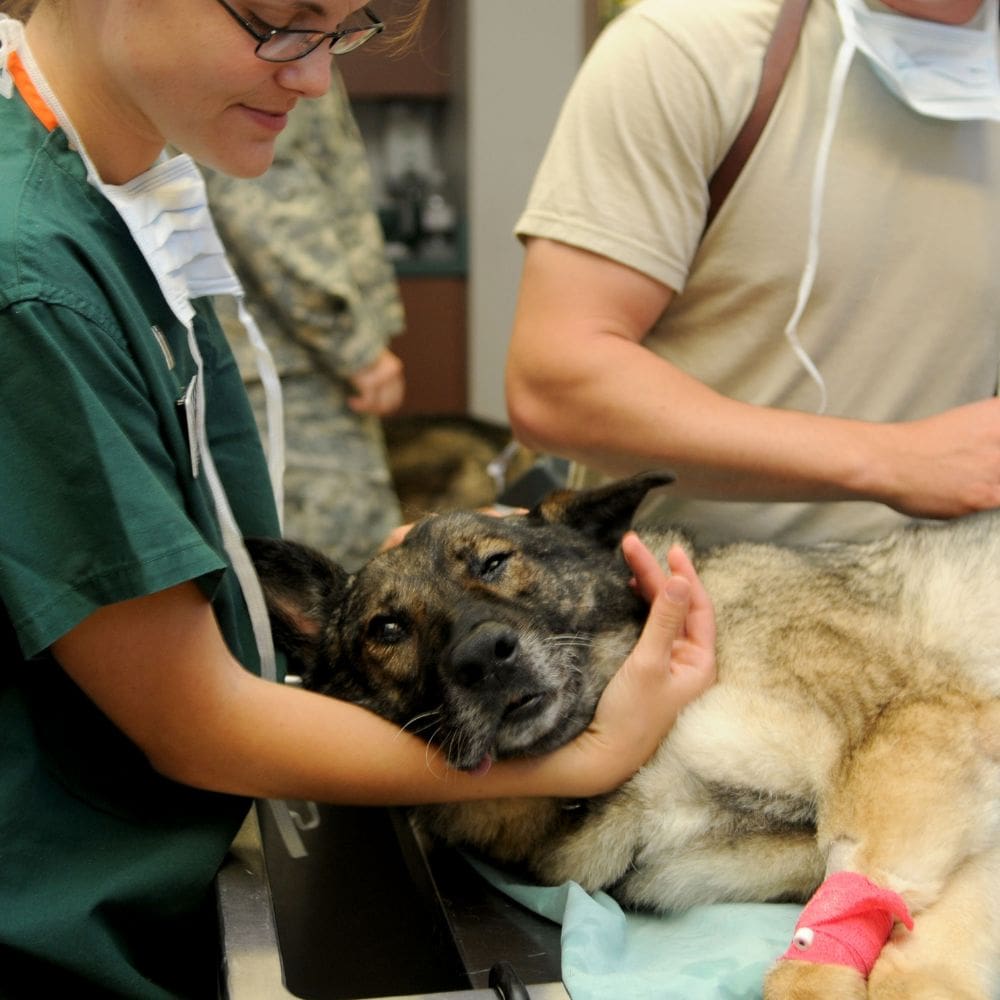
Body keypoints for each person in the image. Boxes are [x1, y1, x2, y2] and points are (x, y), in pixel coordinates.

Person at [0, 1, 717, 996]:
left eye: (342, 32)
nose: (311, 78)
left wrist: (424, 586)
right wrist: (585, 756)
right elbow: (192, 719)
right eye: (281, 21)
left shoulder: (127, 195)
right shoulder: (32, 275)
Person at [506, 0, 1000, 548]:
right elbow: (553, 386)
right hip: (695, 606)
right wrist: (894, 460)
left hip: (952, 602)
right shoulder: (688, 49)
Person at [205, 69, 407, 570]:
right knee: (335, 581)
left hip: (274, 359)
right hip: (289, 368)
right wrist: (355, 348)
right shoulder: (277, 40)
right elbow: (266, 205)